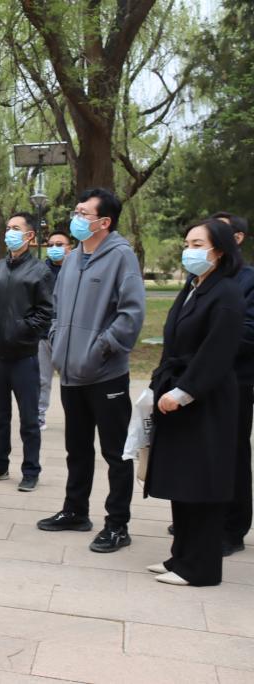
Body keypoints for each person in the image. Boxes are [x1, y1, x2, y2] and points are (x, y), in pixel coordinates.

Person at [37, 188, 145, 553]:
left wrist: (100, 349)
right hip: (70, 373)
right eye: (77, 211)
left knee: (116, 453)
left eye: (84, 213)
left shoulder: (121, 256)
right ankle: (75, 511)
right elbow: (56, 307)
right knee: (77, 448)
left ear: (104, 222)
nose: (76, 218)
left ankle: (117, 524)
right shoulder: (72, 259)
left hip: (105, 374)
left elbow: (131, 314)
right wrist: (57, 340)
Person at [145, 218, 243, 586]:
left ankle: (201, 567)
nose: (190, 251)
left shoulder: (227, 292)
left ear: (220, 250)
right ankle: (180, 557)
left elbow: (217, 350)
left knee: (203, 481)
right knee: (183, 480)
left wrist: (184, 391)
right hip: (177, 390)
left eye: (198, 245)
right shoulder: (194, 285)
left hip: (206, 399)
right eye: (187, 244)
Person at [0, 212, 54, 492]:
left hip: (24, 357)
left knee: (29, 420)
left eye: (16, 228)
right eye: (7, 228)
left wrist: (21, 329)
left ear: (30, 236)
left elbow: (45, 313)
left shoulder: (40, 271)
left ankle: (30, 470)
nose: (9, 233)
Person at [211, 211, 254, 557]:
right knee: (205, 453)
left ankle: (233, 528)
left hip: (235, 381)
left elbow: (247, 333)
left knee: (234, 454)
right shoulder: (204, 277)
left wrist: (206, 350)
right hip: (199, 381)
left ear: (236, 238)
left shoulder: (248, 280)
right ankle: (204, 517)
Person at [38, 230, 72, 430]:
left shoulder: (77, 269)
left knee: (71, 378)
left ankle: (76, 416)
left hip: (68, 333)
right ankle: (39, 415)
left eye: (59, 244)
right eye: (50, 245)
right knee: (42, 379)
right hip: (43, 333)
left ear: (69, 247)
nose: (54, 248)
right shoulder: (40, 271)